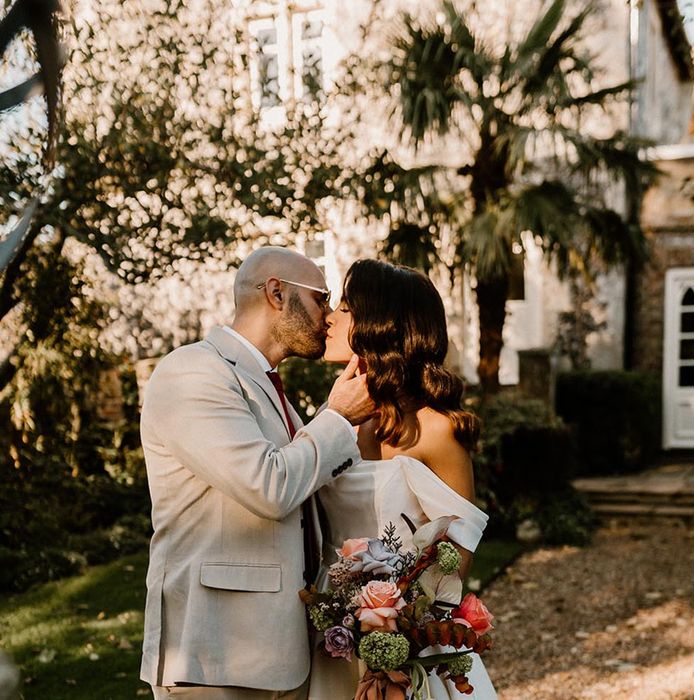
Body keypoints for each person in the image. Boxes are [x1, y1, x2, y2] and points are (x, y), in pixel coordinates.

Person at [140, 247, 374, 700]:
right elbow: (268, 487)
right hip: (215, 657)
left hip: (282, 651)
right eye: (321, 298)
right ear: (276, 293)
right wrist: (338, 418)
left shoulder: (268, 386)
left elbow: (308, 478)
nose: (328, 316)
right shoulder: (193, 372)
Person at [309, 259, 498, 699]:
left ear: (382, 326)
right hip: (332, 637)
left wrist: (394, 629)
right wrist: (344, 618)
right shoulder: (333, 419)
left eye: (348, 307)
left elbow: (455, 562)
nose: (331, 317)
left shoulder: (438, 429)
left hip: (409, 642)